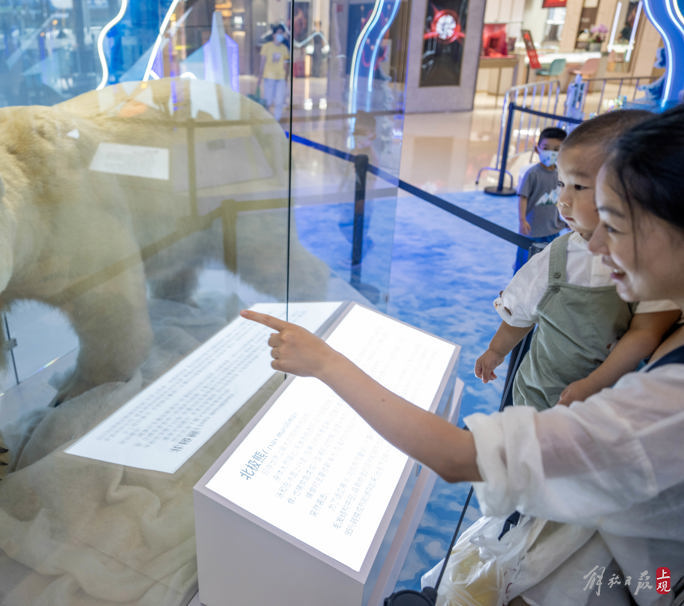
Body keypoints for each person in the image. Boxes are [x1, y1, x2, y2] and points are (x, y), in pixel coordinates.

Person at [241, 104, 684, 604]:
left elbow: (458, 457)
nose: (597, 245)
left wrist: (325, 362)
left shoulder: (666, 406)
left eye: (616, 224)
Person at [475, 110, 680, 410]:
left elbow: (645, 332)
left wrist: (593, 384)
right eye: (561, 184)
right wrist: (496, 351)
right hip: (537, 393)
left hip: (601, 402)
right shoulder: (557, 255)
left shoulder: (653, 270)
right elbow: (520, 312)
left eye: (580, 186)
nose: (563, 200)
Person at [514, 126, 568, 272]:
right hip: (531, 230)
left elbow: (562, 197)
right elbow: (523, 197)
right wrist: (522, 220)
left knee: (547, 263)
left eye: (556, 149)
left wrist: (566, 220)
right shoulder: (532, 174)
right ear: (537, 149)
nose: (551, 153)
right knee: (524, 263)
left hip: (552, 229)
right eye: (546, 148)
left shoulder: (562, 174)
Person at [258, 24, 290, 122]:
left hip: (280, 78)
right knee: (268, 101)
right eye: (279, 33)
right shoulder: (266, 47)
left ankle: (277, 120)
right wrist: (259, 78)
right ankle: (267, 120)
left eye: (282, 33)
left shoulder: (284, 48)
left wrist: (286, 78)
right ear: (274, 35)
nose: (281, 35)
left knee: (279, 101)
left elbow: (286, 64)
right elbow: (262, 62)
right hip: (269, 77)